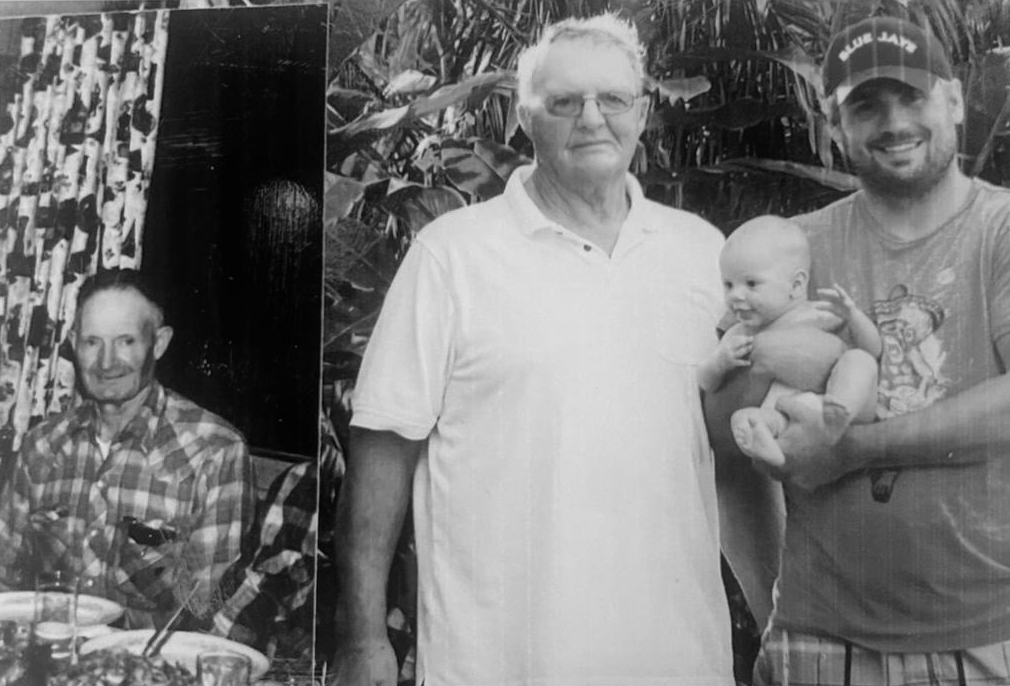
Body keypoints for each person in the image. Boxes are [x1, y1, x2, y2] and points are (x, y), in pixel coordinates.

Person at [333, 12, 735, 686]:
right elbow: (382, 449)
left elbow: (732, 461)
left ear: (642, 113)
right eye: (564, 102)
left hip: (675, 660)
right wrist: (363, 638)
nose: (592, 119)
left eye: (612, 99)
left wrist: (777, 607)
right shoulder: (452, 256)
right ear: (525, 119)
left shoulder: (703, 253)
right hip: (498, 663)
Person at [718, 15, 1010, 686]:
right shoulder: (790, 248)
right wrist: (768, 353)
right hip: (818, 637)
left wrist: (854, 448)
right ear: (833, 123)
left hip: (988, 634)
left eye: (912, 96)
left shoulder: (1000, 229)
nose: (894, 122)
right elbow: (722, 435)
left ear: (955, 101)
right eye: (867, 106)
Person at [0, 268, 254, 629]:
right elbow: (5, 579)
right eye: (92, 342)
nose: (106, 362)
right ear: (73, 343)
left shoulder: (214, 451)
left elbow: (204, 611)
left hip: (153, 660)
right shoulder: (41, 446)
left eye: (126, 341)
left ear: (159, 343)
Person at [698, 215, 879, 467]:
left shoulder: (819, 314)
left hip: (828, 403)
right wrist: (720, 362)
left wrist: (854, 316)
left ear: (796, 284)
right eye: (728, 285)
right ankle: (771, 449)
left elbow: (873, 350)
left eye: (751, 283)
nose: (736, 295)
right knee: (744, 419)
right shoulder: (738, 333)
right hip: (785, 415)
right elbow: (705, 382)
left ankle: (839, 408)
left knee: (859, 360)